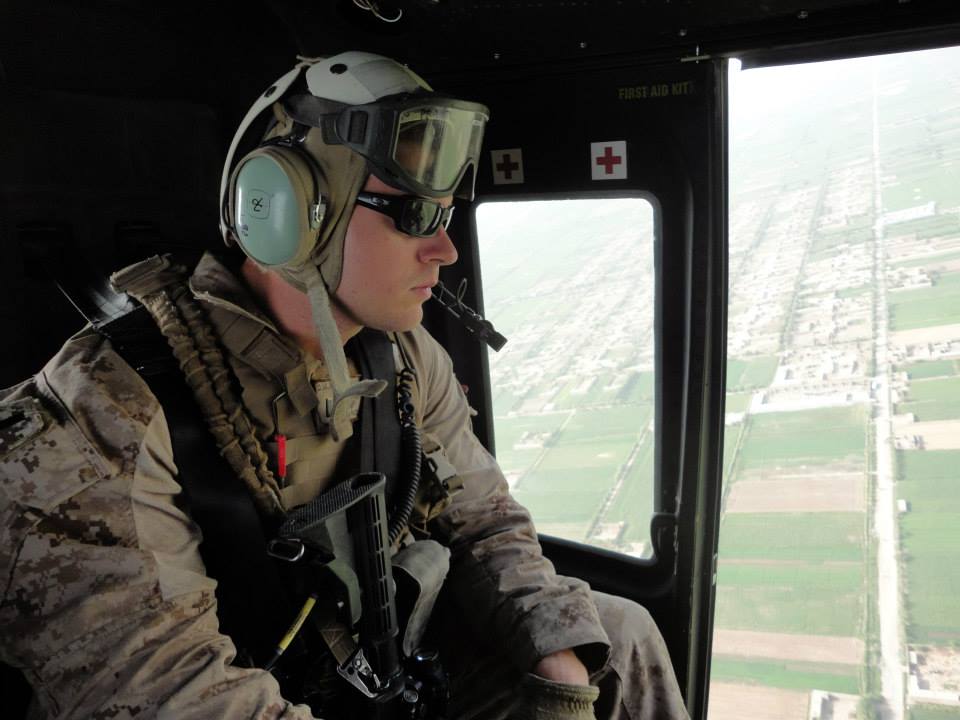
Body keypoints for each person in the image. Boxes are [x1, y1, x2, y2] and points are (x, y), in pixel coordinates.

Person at [0, 51, 689, 719]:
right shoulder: (104, 408)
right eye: (414, 216)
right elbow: (164, 689)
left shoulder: (403, 357)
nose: (445, 250)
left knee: (616, 635)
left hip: (370, 672)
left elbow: (483, 518)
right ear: (288, 210)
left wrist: (556, 658)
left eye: (445, 215)